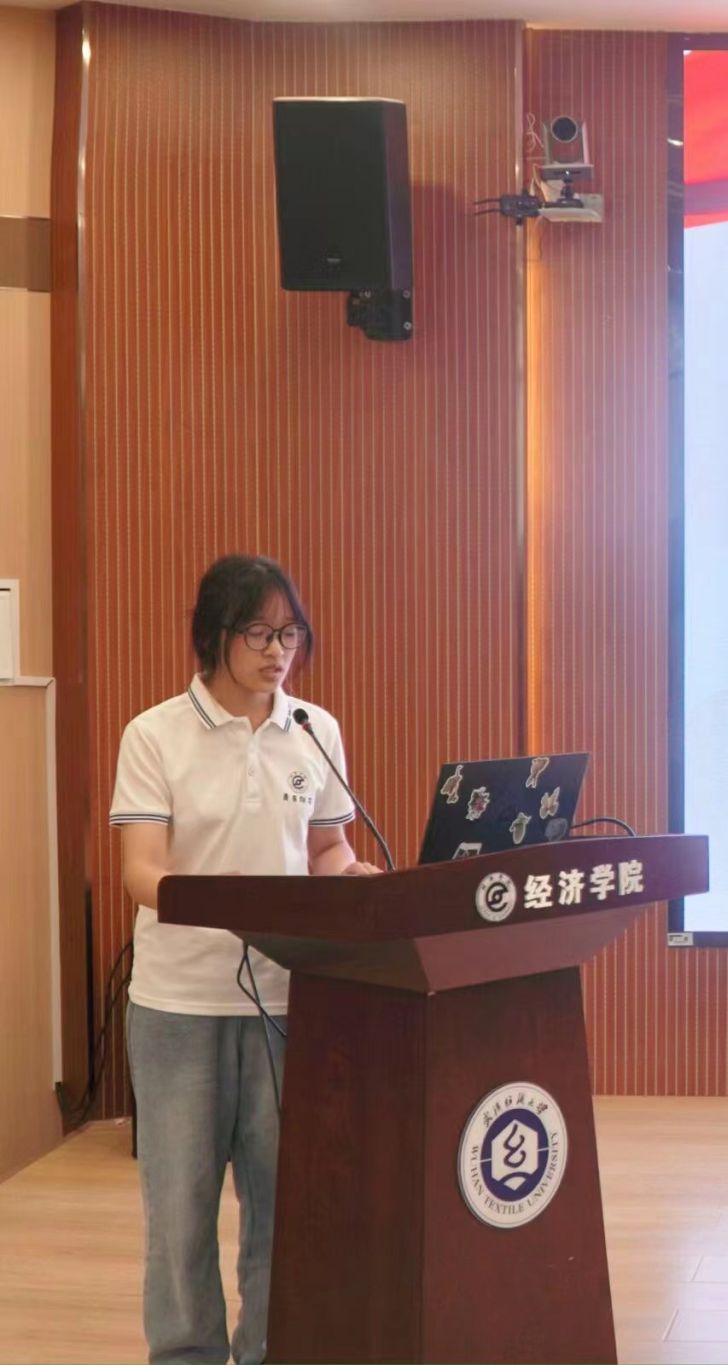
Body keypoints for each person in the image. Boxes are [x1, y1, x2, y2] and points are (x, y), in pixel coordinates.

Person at [111, 554, 381, 1365]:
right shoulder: (155, 733)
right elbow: (141, 869)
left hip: (287, 1000)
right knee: (180, 1211)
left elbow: (326, 849)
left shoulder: (313, 729)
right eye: (259, 633)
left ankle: (273, 1348)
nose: (277, 651)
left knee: (283, 1205)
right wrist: (226, 901)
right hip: (179, 1005)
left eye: (289, 633)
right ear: (214, 635)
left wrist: (355, 878)